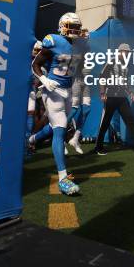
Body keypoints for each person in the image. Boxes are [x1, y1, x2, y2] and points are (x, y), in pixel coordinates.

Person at [31, 12, 89, 195]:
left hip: (68, 91)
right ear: (62, 26)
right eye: (72, 26)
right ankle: (63, 179)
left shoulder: (80, 46)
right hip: (53, 90)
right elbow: (35, 64)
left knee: (56, 125)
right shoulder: (53, 40)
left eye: (77, 27)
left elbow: (75, 70)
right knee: (61, 127)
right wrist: (45, 80)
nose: (75, 30)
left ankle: (32, 139)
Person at [94, 43, 134, 156]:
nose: (127, 54)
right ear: (119, 52)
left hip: (122, 97)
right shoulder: (111, 61)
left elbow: (124, 82)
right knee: (105, 122)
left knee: (131, 120)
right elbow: (102, 76)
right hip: (111, 96)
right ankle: (98, 147)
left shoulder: (126, 65)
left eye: (128, 53)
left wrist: (130, 92)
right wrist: (102, 93)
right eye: (125, 52)